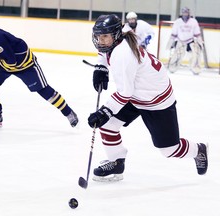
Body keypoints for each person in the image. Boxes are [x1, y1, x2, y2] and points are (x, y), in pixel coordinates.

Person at [87, 14, 208, 182]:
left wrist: (104, 111)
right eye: (98, 36)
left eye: (104, 36)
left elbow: (124, 93)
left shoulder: (123, 54)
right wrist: (101, 66)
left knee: (169, 150)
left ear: (115, 35)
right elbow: (103, 51)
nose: (100, 41)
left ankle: (198, 150)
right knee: (108, 125)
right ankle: (116, 162)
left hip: (156, 101)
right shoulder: (120, 37)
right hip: (137, 94)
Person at [0, 15, 78, 129]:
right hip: (6, 62)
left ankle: (68, 113)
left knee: (44, 91)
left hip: (25, 65)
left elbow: (12, 62)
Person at [166, 7, 204, 75]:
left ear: (189, 13)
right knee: (176, 56)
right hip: (180, 41)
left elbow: (197, 34)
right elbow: (173, 34)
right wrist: (170, 44)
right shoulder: (178, 22)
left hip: (190, 41)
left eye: (186, 12)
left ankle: (196, 69)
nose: (185, 14)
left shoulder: (193, 21)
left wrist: (200, 43)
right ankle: (172, 68)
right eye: (184, 12)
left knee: (195, 55)